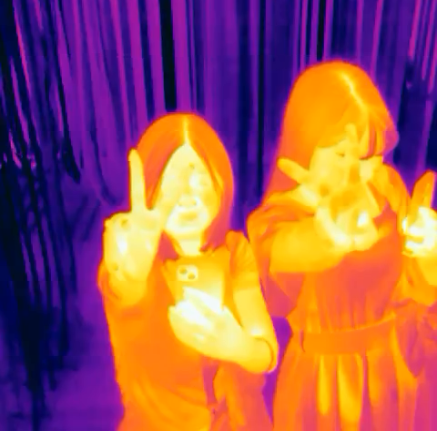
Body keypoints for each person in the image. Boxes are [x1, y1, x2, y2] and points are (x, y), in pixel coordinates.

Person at [247, 60, 437, 430]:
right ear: (305, 143)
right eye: (340, 153)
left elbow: (414, 285)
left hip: (395, 368)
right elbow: (289, 250)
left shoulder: (386, 185)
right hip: (325, 385)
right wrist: (329, 235)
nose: (357, 172)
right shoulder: (278, 217)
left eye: (369, 155)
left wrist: (428, 250)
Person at [98, 113, 278, 431]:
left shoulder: (235, 251)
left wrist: (237, 346)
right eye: (172, 188)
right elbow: (124, 291)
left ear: (222, 184)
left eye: (201, 183)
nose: (187, 200)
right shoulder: (133, 259)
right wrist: (131, 272)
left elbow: (266, 352)